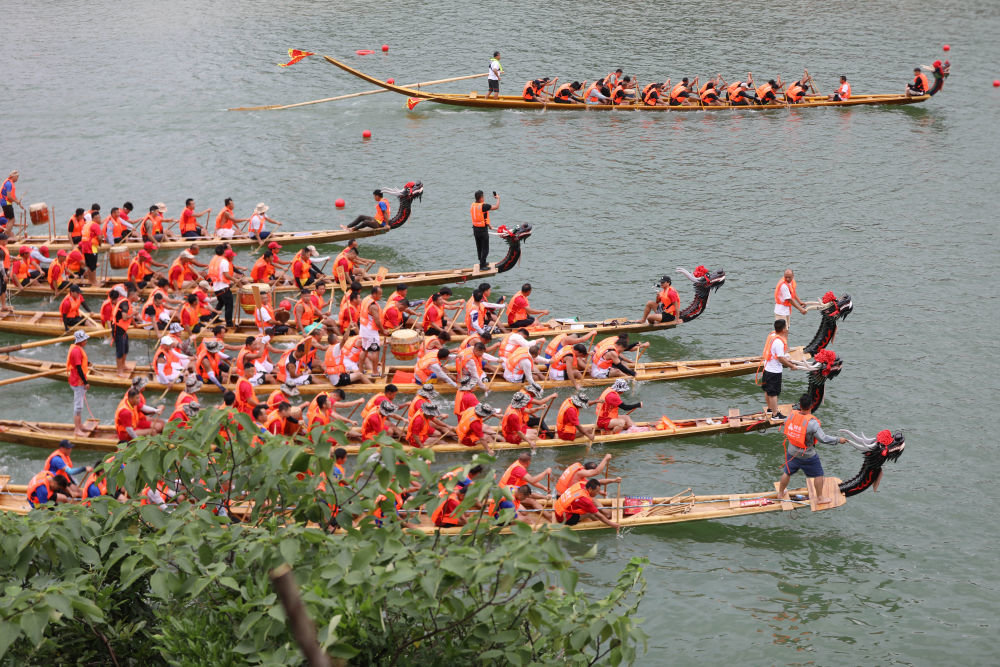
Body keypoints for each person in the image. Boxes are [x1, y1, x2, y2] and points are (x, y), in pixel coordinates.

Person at [775, 393, 848, 504]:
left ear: (800, 405)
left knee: (787, 472)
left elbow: (787, 425)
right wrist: (838, 440)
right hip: (807, 455)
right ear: (811, 406)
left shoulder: (791, 415)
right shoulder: (812, 423)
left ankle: (780, 492)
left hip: (792, 451)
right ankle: (820, 498)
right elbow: (823, 439)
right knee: (819, 474)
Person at [759, 319, 797, 419]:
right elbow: (780, 358)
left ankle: (770, 409)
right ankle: (775, 415)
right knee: (773, 393)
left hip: (767, 368)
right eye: (786, 327)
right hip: (774, 371)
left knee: (767, 390)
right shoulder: (779, 342)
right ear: (784, 329)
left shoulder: (772, 335)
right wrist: (791, 365)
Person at [553, 479, 619, 528]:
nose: (598, 493)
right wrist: (612, 524)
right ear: (590, 489)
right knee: (590, 513)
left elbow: (599, 482)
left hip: (558, 508)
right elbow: (599, 516)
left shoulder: (581, 483)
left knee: (592, 499)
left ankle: (606, 513)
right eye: (597, 491)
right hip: (563, 518)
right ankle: (601, 523)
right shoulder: (585, 500)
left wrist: (614, 480)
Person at [112, 282, 140, 378]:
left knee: (125, 348)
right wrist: (134, 313)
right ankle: (119, 371)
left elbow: (130, 315)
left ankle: (123, 366)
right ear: (132, 296)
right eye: (136, 295)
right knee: (120, 350)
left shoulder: (129, 303)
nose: (137, 296)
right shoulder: (124, 303)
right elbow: (124, 317)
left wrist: (135, 325)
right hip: (118, 329)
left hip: (123, 329)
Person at [66, 330, 91, 437]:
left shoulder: (77, 349)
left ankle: (80, 425)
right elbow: (78, 368)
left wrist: (88, 363)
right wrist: (85, 382)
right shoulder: (76, 351)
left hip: (77, 379)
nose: (86, 341)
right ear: (80, 341)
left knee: (79, 405)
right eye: (85, 339)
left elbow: (80, 363)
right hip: (78, 381)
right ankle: (77, 429)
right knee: (78, 406)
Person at [470, 190, 499, 271]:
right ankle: (482, 266)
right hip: (482, 231)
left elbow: (483, 216)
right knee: (485, 248)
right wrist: (498, 199)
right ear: (481, 198)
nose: (484, 198)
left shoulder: (473, 205)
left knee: (479, 247)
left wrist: (489, 224)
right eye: (483, 196)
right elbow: (496, 207)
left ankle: (482, 262)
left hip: (475, 229)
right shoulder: (484, 206)